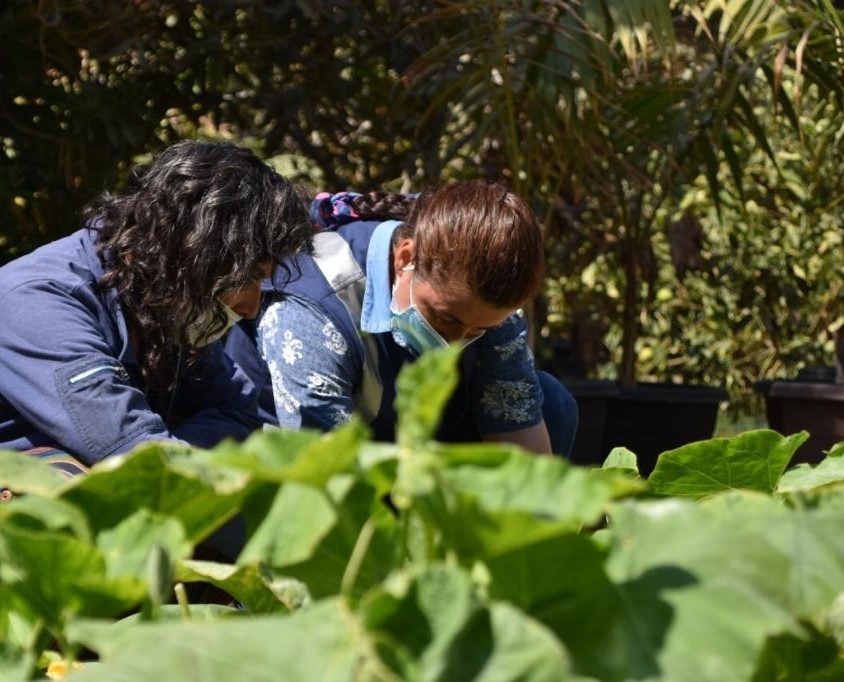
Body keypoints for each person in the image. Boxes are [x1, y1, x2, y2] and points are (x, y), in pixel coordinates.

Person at [0, 139, 312, 475]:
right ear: (191, 250)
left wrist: (178, 446)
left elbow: (237, 410)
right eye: (247, 277)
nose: (251, 307)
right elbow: (132, 453)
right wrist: (183, 451)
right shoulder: (38, 301)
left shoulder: (166, 298)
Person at [225, 180, 579, 456]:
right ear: (405, 258)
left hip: (399, 443)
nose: (455, 343)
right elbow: (329, 473)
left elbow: (520, 440)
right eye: (446, 320)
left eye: (477, 331)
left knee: (552, 403)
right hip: (300, 453)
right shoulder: (310, 312)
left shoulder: (485, 302)